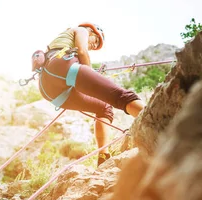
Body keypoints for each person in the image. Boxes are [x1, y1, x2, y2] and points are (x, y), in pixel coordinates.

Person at [32, 23, 145, 166]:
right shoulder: (81, 30)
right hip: (61, 65)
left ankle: (103, 157)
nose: (94, 45)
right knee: (121, 96)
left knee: (104, 108)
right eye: (96, 40)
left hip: (50, 92)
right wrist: (90, 73)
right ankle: (159, 122)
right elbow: (82, 50)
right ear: (91, 31)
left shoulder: (59, 41)